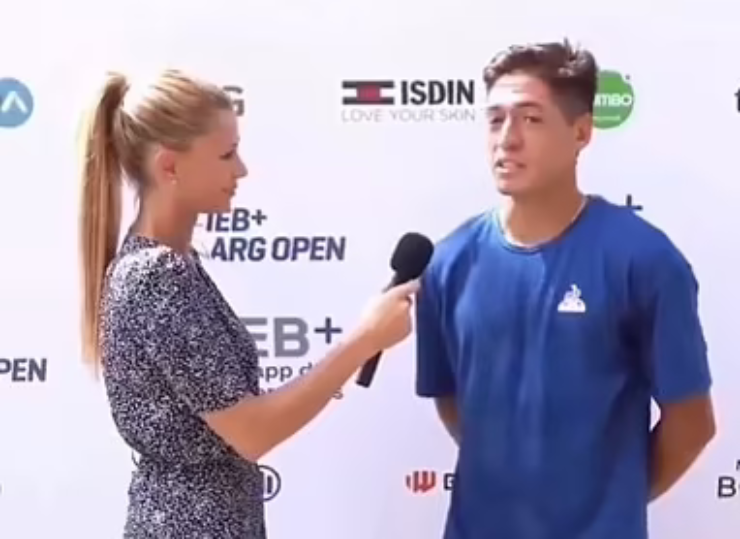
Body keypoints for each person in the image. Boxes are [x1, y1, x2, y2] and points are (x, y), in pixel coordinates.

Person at [77, 70, 419, 538]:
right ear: (169, 167)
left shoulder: (172, 264)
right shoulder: (157, 275)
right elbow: (252, 432)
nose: (240, 170)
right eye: (225, 155)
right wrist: (365, 340)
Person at [414, 40, 716, 539]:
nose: (507, 139)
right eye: (495, 119)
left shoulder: (644, 260)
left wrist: (608, 502)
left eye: (530, 119)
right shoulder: (448, 262)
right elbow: (450, 399)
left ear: (581, 132)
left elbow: (691, 423)